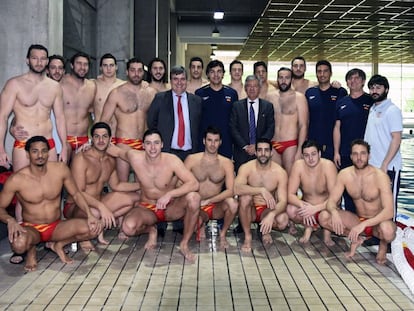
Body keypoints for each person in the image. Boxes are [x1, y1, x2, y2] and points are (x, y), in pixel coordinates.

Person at [0, 136, 102, 271]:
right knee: (19, 245)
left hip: (56, 226)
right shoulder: (17, 179)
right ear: (27, 154)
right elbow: (1, 207)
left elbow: (76, 194)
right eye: (35, 151)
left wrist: (90, 215)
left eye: (43, 151)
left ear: (49, 152)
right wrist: (11, 220)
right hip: (32, 228)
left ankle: (58, 245)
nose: (40, 155)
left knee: (94, 227)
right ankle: (31, 251)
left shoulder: (60, 169)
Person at [0, 45, 68, 229]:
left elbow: (61, 118)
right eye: (35, 58)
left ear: (46, 61)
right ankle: (21, 237)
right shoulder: (14, 84)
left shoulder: (54, 86)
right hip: (24, 144)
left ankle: (52, 237)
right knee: (24, 193)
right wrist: (0, 149)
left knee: (54, 191)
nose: (39, 62)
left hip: (50, 144)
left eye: (43, 58)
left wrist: (65, 146)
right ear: (27, 60)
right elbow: (3, 116)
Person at [106, 128, 200, 261]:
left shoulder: (172, 160)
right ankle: (151, 229)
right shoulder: (134, 157)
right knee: (128, 228)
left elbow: (194, 183)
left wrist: (170, 194)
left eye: (156, 143)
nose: (152, 147)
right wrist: (87, 144)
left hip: (170, 208)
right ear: (143, 145)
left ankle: (184, 243)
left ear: (162, 144)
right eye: (148, 143)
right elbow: (112, 149)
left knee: (194, 198)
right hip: (146, 208)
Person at [318, 139, 396, 264]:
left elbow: (389, 211)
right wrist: (335, 212)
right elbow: (331, 201)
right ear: (351, 156)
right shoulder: (345, 174)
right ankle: (356, 239)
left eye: (363, 153)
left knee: (388, 231)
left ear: (369, 156)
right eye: (355, 154)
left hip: (377, 223)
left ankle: (383, 245)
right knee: (324, 217)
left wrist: (364, 224)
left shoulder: (380, 177)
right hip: (357, 219)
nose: (359, 157)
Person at [64, 122, 141, 249]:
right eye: (97, 136)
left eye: (104, 136)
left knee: (134, 198)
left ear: (110, 139)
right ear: (92, 139)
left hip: (98, 204)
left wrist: (141, 186)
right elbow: (78, 192)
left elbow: (117, 185)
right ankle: (85, 234)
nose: (101, 140)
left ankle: (99, 226)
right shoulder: (81, 159)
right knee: (94, 211)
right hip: (77, 206)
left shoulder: (110, 160)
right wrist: (101, 207)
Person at [100, 57, 157, 181]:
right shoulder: (117, 93)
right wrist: (106, 143)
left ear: (144, 72)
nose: (136, 74)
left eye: (139, 70)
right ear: (126, 72)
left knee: (143, 186)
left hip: (144, 144)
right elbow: (103, 121)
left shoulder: (151, 93)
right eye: (133, 70)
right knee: (122, 183)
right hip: (123, 144)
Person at [184, 126, 238, 248]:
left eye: (216, 140)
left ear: (220, 142)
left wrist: (209, 201)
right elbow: (181, 184)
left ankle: (223, 233)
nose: (212, 144)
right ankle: (200, 223)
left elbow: (230, 191)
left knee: (233, 204)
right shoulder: (192, 159)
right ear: (204, 141)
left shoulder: (226, 163)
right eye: (209, 140)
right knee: (194, 224)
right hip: (196, 205)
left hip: (215, 205)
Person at [234, 138, 289, 252]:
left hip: (267, 209)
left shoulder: (279, 172)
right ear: (255, 152)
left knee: (283, 220)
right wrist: (261, 190)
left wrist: (272, 214)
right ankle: (248, 236)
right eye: (260, 150)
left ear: (271, 152)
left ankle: (265, 231)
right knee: (245, 197)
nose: (263, 154)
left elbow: (283, 202)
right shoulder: (247, 168)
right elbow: (236, 189)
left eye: (266, 150)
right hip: (251, 209)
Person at [333, 68, 373, 213]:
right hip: (345, 152)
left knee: (365, 187)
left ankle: (366, 218)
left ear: (363, 81)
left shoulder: (371, 101)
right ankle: (351, 219)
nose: (353, 81)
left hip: (364, 153)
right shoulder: (341, 102)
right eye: (350, 78)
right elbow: (337, 128)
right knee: (348, 188)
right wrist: (336, 152)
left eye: (357, 78)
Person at [364, 74, 402, 220]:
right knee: (375, 203)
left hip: (388, 167)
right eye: (372, 87)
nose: (374, 90)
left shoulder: (392, 110)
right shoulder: (373, 109)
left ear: (386, 89)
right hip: (373, 166)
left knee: (388, 205)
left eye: (378, 88)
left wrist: (385, 164)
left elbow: (396, 140)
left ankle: (389, 240)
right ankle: (376, 236)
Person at [147, 65, 202, 161]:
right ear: (170, 81)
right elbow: (151, 123)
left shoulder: (196, 101)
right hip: (167, 152)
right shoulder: (160, 99)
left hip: (191, 154)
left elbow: (200, 126)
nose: (179, 82)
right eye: (175, 79)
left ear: (187, 81)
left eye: (182, 79)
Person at [287, 140, 336, 244]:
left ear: (319, 153)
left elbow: (336, 199)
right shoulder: (298, 166)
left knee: (325, 216)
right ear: (302, 156)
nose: (310, 159)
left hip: (325, 207)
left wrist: (315, 209)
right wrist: (304, 207)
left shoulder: (328, 166)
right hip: (307, 207)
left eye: (313, 154)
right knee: (290, 210)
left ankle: (327, 233)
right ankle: (309, 226)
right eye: (306, 155)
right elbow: (290, 195)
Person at [268, 67, 309, 174]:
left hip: (290, 144)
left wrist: (300, 149)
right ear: (277, 79)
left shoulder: (299, 98)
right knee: (275, 179)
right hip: (274, 143)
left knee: (291, 178)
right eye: (281, 78)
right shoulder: (270, 97)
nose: (283, 81)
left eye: (286, 78)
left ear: (291, 79)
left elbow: (303, 125)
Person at [230, 75, 275, 172]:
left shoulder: (268, 106)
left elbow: (270, 128)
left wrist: (257, 146)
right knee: (241, 182)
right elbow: (233, 128)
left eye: (255, 86)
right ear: (245, 88)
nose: (252, 88)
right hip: (241, 152)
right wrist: (245, 146)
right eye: (249, 86)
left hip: (261, 152)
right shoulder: (236, 106)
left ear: (259, 88)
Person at [305, 60, 347, 161]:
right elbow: (306, 118)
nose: (322, 74)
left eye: (325, 71)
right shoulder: (310, 93)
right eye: (319, 71)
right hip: (313, 145)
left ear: (331, 73)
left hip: (333, 146)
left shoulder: (340, 92)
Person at [196, 60, 238, 159]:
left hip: (226, 141)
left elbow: (235, 120)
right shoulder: (199, 93)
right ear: (207, 74)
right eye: (212, 72)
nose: (216, 75)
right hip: (206, 141)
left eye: (219, 71)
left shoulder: (232, 94)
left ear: (223, 74)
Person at [60, 51, 96, 159]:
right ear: (72, 65)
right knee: (62, 173)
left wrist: (91, 139)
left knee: (80, 174)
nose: (82, 67)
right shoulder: (61, 84)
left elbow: (96, 115)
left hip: (83, 140)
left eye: (85, 64)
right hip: (65, 139)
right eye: (79, 63)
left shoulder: (92, 86)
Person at [93, 53, 126, 137]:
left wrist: (144, 84)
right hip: (99, 136)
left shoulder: (124, 86)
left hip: (118, 135)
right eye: (105, 65)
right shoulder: (93, 85)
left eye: (111, 65)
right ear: (100, 68)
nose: (108, 68)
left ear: (116, 67)